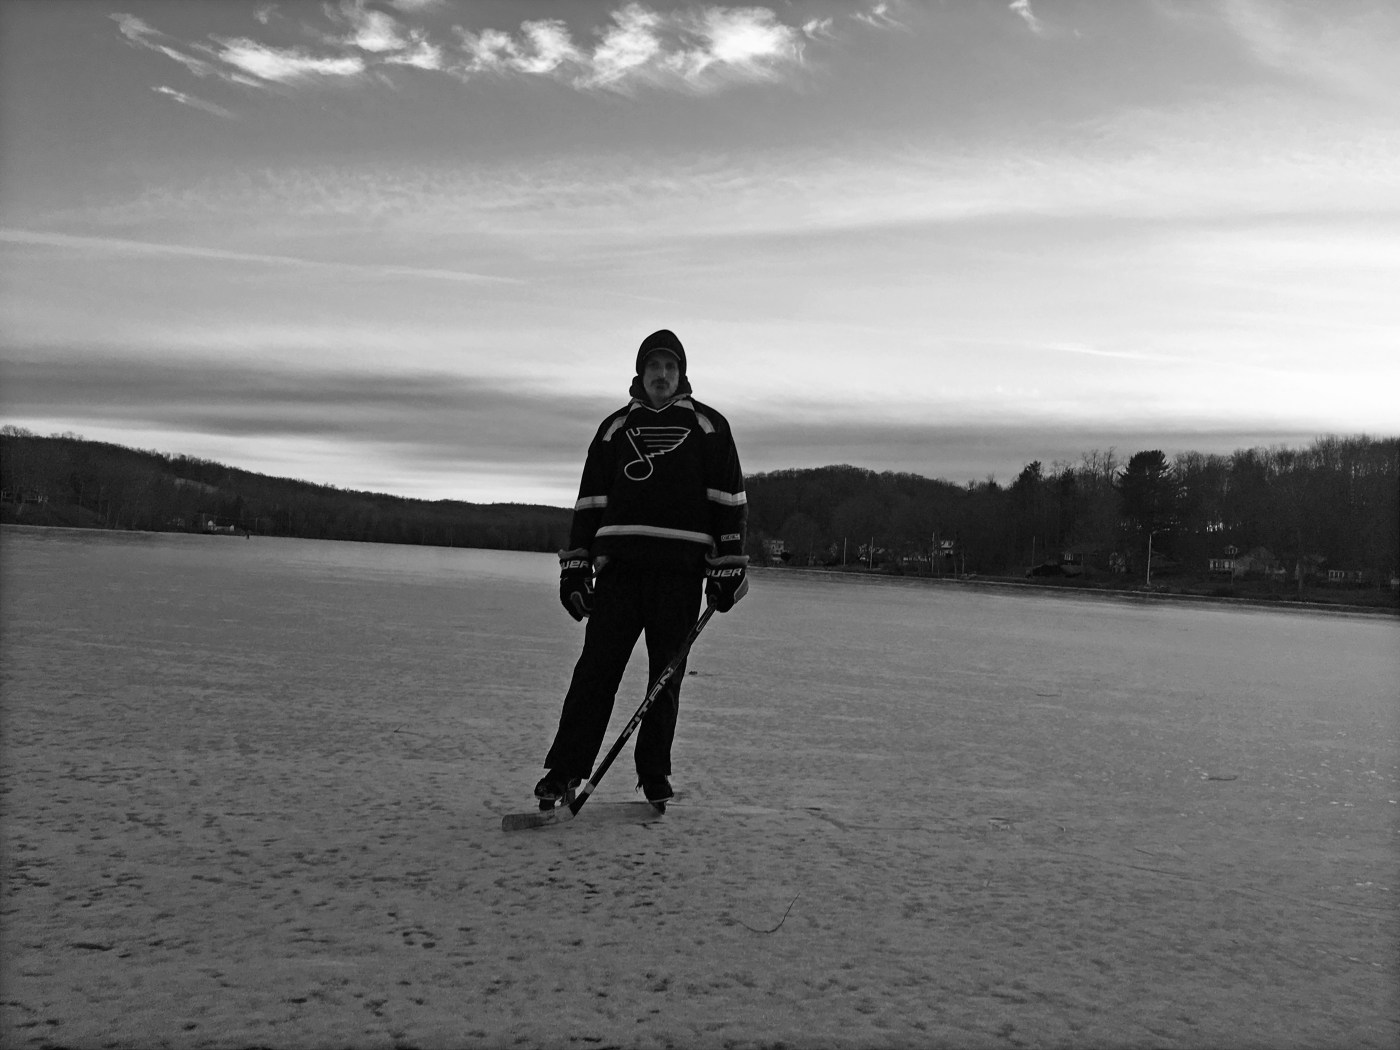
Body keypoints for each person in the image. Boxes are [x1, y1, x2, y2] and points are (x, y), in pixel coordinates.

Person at [535, 328, 749, 807]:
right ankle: (564, 770)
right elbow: (589, 504)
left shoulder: (709, 427)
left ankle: (654, 774)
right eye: (654, 366)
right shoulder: (614, 429)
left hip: (679, 573)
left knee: (664, 678)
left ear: (682, 374)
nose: (662, 374)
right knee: (595, 671)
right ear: (641, 372)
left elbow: (729, 503)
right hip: (621, 571)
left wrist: (728, 568)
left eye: (670, 366)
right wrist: (575, 569)